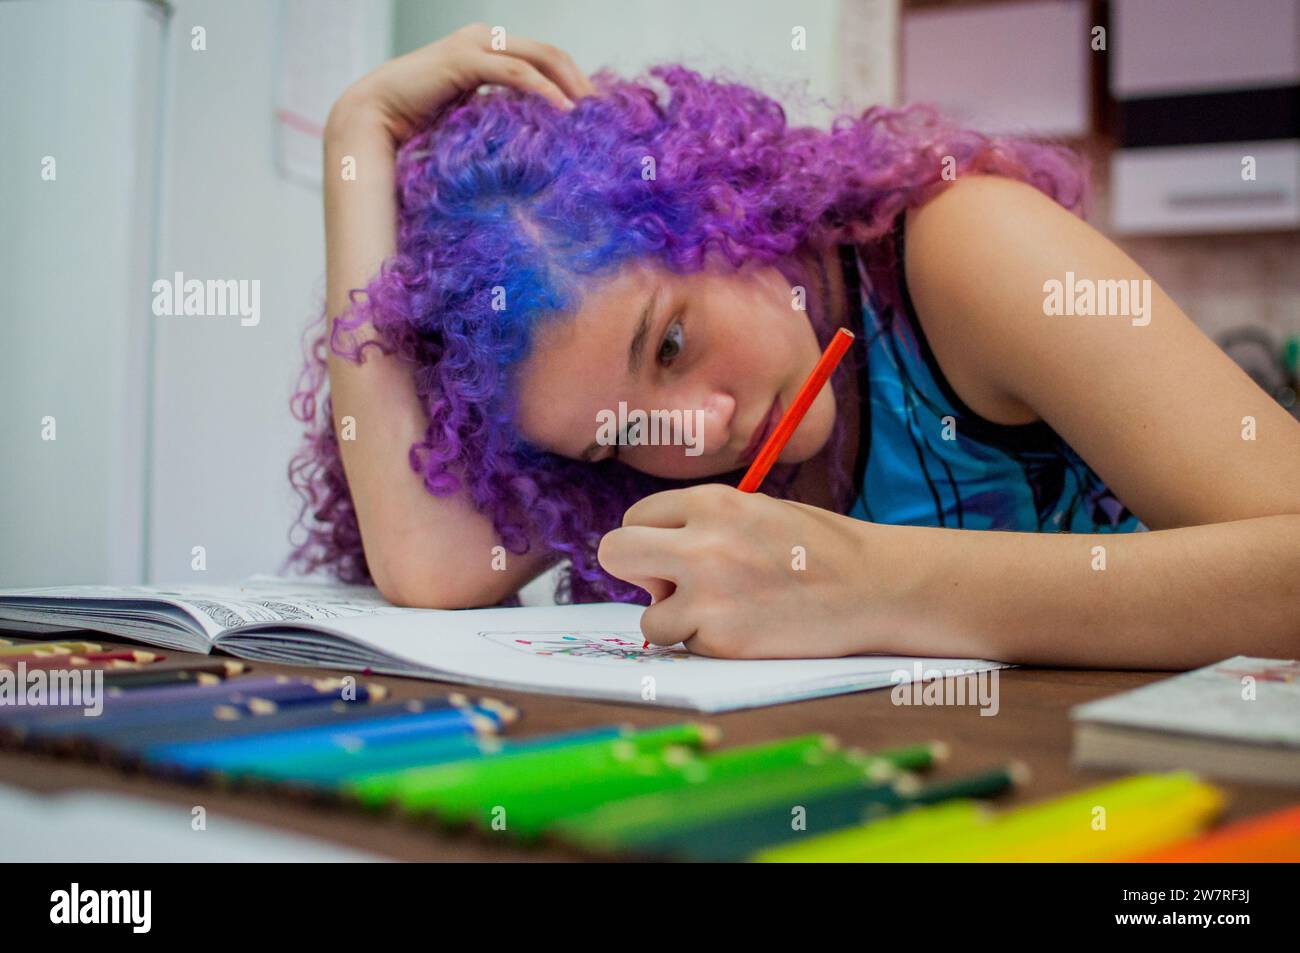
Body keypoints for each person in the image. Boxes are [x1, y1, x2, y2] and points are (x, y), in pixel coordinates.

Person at [287, 24, 1300, 666]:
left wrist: (863, 580)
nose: (699, 431)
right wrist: (355, 135)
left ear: (727, 215)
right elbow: (425, 562)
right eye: (610, 441)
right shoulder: (646, 470)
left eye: (671, 343)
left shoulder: (961, 249)